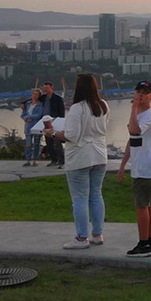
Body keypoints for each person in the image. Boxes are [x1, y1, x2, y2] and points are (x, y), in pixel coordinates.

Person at [51, 73, 109, 250]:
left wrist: (53, 133)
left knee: (80, 198)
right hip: (99, 155)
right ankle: (97, 234)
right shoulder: (103, 105)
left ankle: (81, 238)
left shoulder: (77, 108)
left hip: (80, 157)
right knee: (96, 195)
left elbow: (71, 136)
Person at [117, 80, 151, 258]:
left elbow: (134, 130)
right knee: (150, 202)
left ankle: (144, 243)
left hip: (146, 166)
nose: (140, 95)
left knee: (142, 205)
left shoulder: (148, 115)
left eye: (145, 92)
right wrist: (123, 165)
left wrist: (133, 109)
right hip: (146, 164)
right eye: (138, 92)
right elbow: (133, 141)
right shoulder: (141, 114)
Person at [40, 81, 66, 168]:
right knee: (49, 143)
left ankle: (61, 161)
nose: (45, 90)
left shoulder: (58, 98)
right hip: (45, 123)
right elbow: (32, 99)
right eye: (44, 88)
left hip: (55, 122)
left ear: (52, 87)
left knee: (57, 143)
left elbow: (62, 112)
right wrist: (23, 103)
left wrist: (60, 123)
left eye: (47, 88)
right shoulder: (43, 98)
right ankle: (53, 160)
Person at [21, 88, 44, 166]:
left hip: (37, 126)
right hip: (28, 126)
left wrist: (29, 117)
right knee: (28, 144)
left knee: (37, 143)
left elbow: (39, 114)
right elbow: (23, 114)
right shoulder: (27, 104)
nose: (35, 96)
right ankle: (27, 159)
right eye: (34, 94)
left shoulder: (40, 104)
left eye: (37, 95)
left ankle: (35, 159)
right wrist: (26, 118)